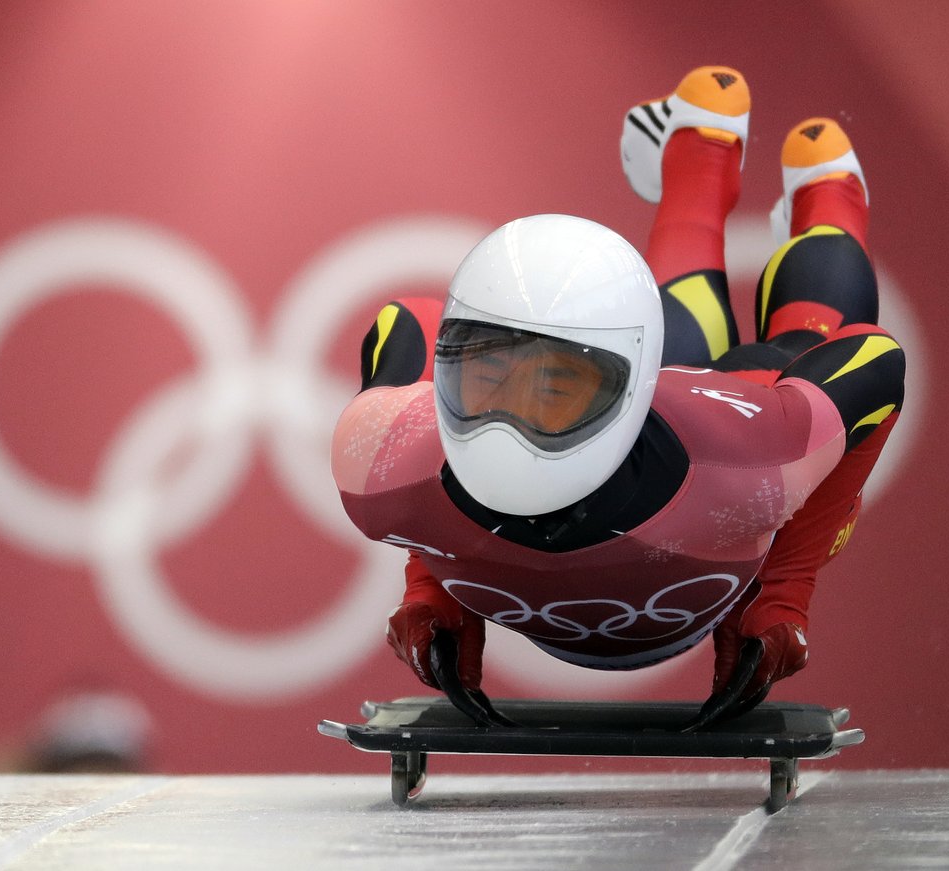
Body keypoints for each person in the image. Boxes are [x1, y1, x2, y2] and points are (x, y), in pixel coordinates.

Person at [331, 66, 904, 723]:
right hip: (701, 452)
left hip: (733, 406)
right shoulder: (385, 455)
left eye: (556, 387)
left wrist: (783, 587)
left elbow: (876, 358)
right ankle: (709, 147)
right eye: (486, 375)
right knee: (697, 321)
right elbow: (879, 364)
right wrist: (431, 581)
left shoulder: (748, 460)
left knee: (806, 337)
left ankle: (824, 190)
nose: (513, 422)